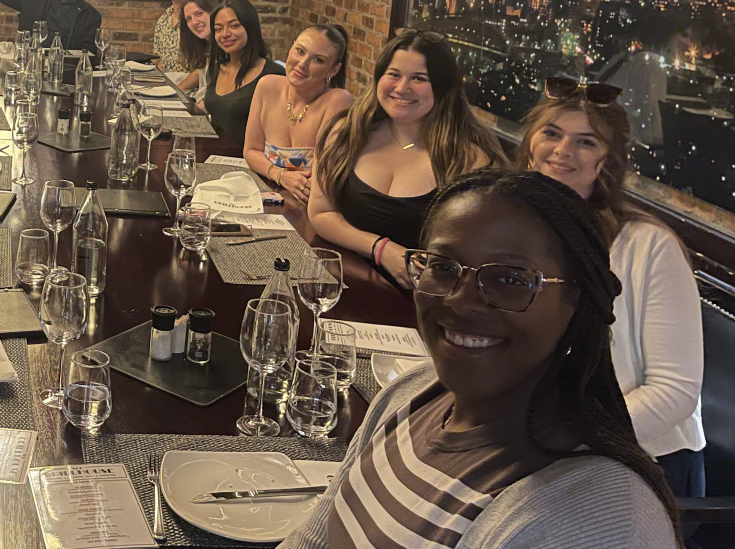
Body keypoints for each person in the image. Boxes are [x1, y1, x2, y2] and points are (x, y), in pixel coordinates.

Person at [280, 170, 680, 549]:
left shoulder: (601, 526)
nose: (461, 301)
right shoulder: (407, 395)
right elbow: (314, 538)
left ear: (576, 301)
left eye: (510, 279)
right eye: (442, 267)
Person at [516, 80, 705, 500]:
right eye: (551, 133)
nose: (562, 150)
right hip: (531, 440)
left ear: (609, 160)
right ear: (530, 143)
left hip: (637, 458)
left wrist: (565, 438)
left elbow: (674, 392)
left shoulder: (650, 247)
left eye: (585, 142)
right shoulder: (509, 228)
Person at [309, 29, 506, 290]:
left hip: (419, 299)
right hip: (339, 285)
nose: (402, 88)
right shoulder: (345, 132)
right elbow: (321, 213)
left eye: (419, 78)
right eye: (394, 74)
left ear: (443, 87)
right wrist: (382, 249)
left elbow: (474, 253)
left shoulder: (469, 160)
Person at [244, 25, 353, 206]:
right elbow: (251, 151)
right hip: (268, 198)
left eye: (318, 60)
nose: (302, 63)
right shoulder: (267, 86)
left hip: (311, 205)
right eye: (300, 51)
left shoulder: (338, 101)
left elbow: (323, 177)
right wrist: (281, 175)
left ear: (333, 70)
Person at [201, 0, 283, 143]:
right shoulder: (217, 68)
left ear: (250, 27)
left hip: (248, 155)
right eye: (218, 29)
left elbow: (279, 132)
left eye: (234, 26)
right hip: (214, 151)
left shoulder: (273, 74)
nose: (225, 34)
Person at [153, 0, 201, 74]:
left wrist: (179, 86)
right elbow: (160, 61)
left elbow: (203, 67)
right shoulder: (163, 20)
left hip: (190, 86)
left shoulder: (200, 20)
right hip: (165, 85)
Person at [175, 0, 218, 98]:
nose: (194, 22)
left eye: (199, 14)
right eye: (189, 19)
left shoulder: (224, 49)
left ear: (214, 12)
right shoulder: (205, 47)